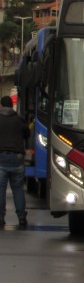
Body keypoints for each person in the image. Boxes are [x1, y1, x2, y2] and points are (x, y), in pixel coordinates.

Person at [0, 95, 30, 227]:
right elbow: (27, 134)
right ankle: (22, 217)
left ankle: (0, 217)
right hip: (17, 157)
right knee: (18, 189)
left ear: (1, 105)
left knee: (0, 189)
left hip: (1, 157)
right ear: (11, 106)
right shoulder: (19, 119)